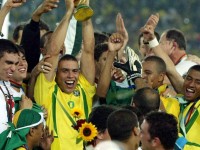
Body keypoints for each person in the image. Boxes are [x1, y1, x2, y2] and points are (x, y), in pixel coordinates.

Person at [33, 0, 102, 149]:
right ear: (56, 74)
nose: (71, 76)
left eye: (75, 71)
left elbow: (89, 50)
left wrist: (85, 14)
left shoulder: (84, 89)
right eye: (65, 71)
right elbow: (53, 51)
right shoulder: (47, 91)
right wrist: (69, 12)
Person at [141, 13, 200, 149]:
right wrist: (152, 40)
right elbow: (171, 70)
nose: (191, 84)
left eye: (198, 82)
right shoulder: (185, 100)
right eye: (188, 79)